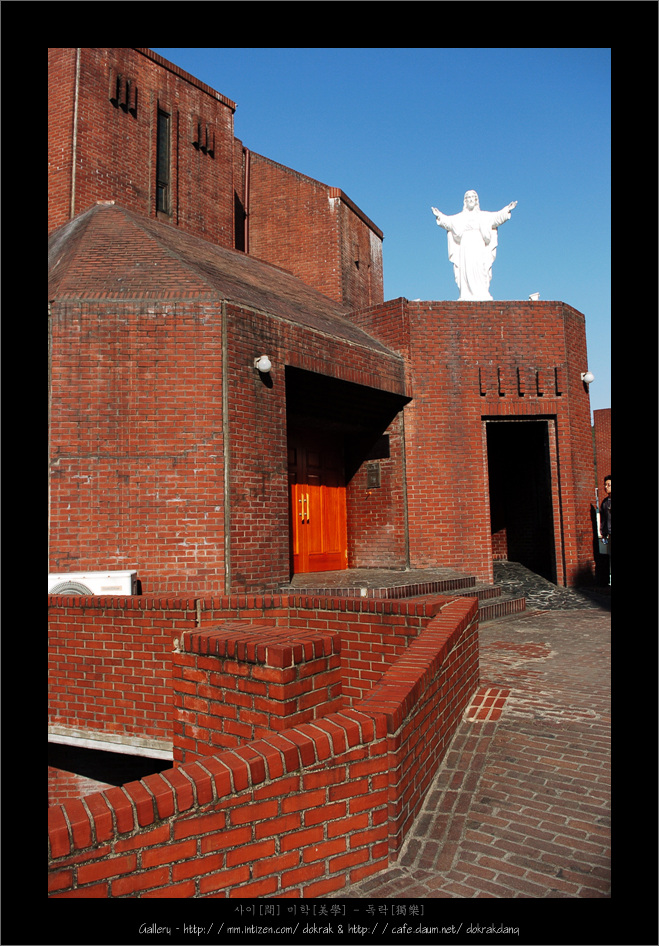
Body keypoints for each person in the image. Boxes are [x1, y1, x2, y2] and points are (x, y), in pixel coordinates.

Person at [431, 191, 517, 301]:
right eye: (468, 197)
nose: (471, 199)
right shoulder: (460, 217)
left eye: (473, 197)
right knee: (466, 269)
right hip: (465, 244)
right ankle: (466, 293)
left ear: (476, 200)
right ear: (465, 201)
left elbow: (496, 217)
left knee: (480, 267)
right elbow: (449, 222)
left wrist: (507, 210)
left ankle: (482, 292)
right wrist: (439, 215)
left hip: (478, 243)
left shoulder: (483, 216)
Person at [600, 474, 611, 584]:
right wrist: (603, 533)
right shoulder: (605, 502)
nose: (606, 487)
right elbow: (603, 519)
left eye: (608, 485)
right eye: (605, 485)